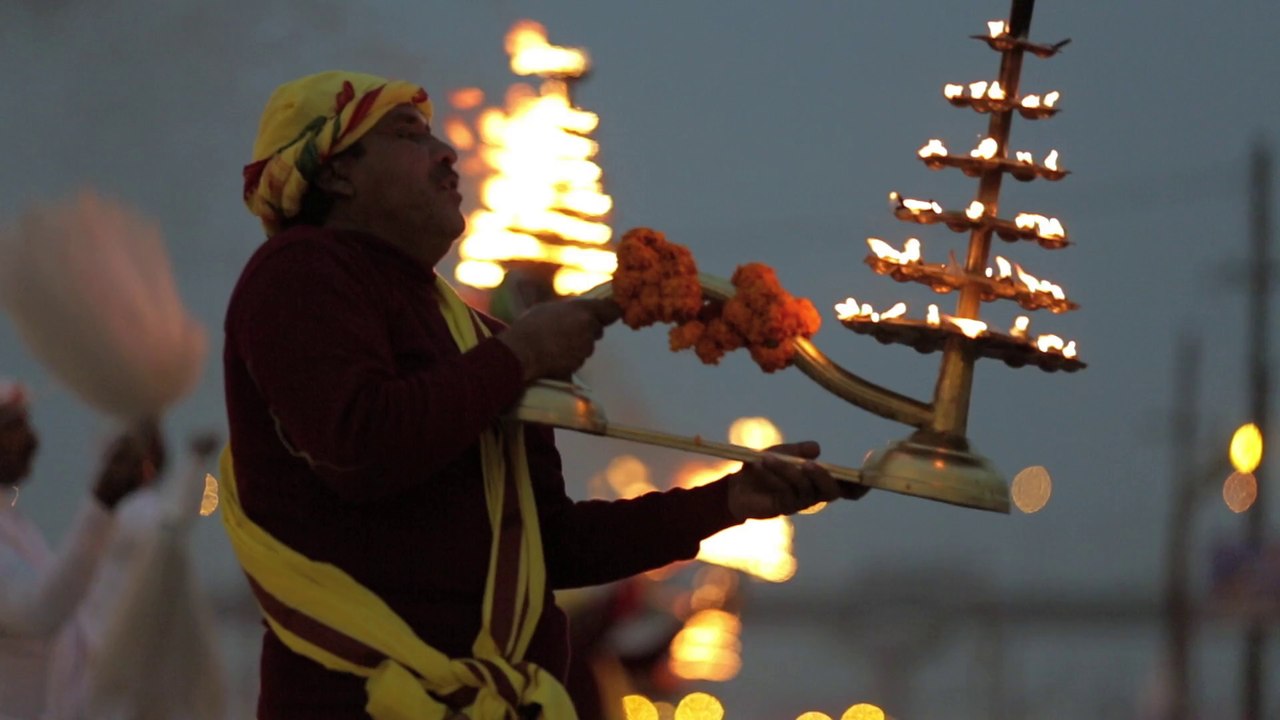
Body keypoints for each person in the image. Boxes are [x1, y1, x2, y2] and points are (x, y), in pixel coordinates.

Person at [223, 70, 862, 720]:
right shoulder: (300, 270)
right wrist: (522, 354)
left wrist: (726, 502)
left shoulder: (475, 333)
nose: (446, 152)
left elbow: (547, 543)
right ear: (336, 175)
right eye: (409, 135)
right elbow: (360, 446)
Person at [0, 379, 152, 719]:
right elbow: (40, 610)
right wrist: (102, 503)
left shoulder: (15, 524)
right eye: (12, 427)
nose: (33, 441)